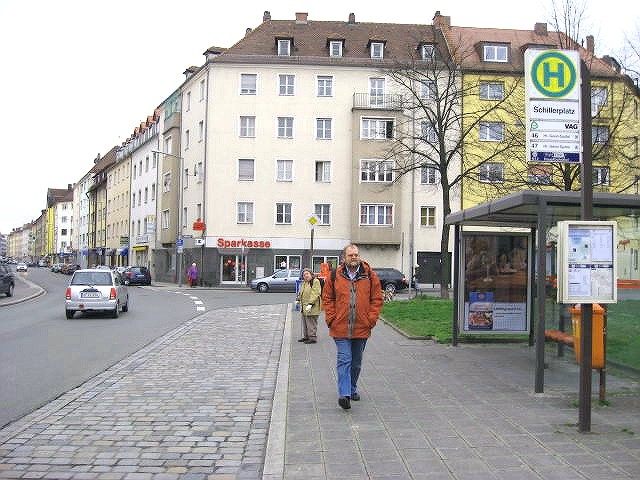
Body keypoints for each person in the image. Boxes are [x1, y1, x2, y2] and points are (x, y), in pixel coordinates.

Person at [322, 244, 383, 410]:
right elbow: (327, 298)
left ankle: (352, 388)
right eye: (350, 255)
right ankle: (345, 395)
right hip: (340, 328)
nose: (354, 257)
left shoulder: (369, 275)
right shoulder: (334, 275)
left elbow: (377, 299)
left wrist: (371, 320)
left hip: (362, 327)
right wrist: (331, 319)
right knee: (344, 359)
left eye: (356, 254)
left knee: (356, 362)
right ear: (344, 258)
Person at [296, 268, 322, 344]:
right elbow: (301, 292)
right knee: (305, 322)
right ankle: (306, 336)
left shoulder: (315, 281)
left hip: (312, 306)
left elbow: (315, 293)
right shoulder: (304, 282)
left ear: (311, 274)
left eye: (307, 274)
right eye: (304, 274)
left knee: (311, 322)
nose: (305, 276)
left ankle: (312, 338)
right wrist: (298, 299)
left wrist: (310, 303)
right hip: (304, 306)